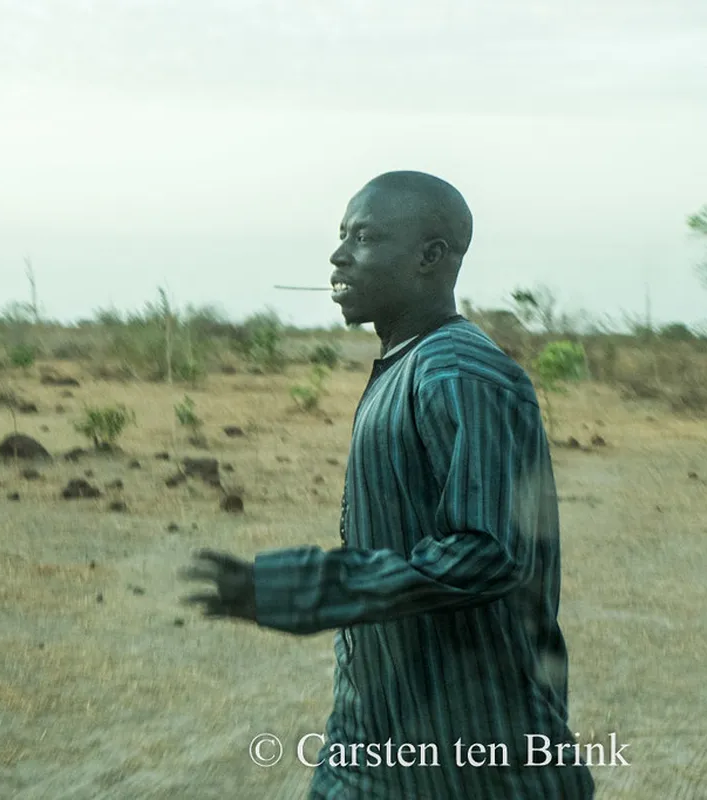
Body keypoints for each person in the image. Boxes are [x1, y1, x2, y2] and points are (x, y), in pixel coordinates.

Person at [180, 171, 596, 798]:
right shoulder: (410, 365)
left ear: (432, 257)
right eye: (342, 234)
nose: (338, 255)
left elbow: (487, 553)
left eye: (366, 237)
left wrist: (305, 587)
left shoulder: (460, 374)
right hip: (376, 743)